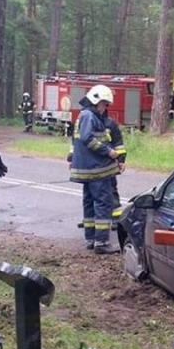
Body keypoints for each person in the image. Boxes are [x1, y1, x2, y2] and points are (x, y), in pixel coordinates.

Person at [69, 84, 120, 254]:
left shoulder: (86, 115)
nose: (105, 108)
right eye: (105, 104)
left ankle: (91, 239)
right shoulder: (89, 116)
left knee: (89, 204)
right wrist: (109, 151)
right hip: (97, 170)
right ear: (97, 101)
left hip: (89, 170)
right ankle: (101, 242)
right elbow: (87, 139)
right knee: (103, 204)